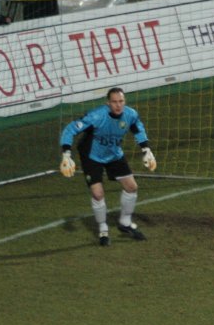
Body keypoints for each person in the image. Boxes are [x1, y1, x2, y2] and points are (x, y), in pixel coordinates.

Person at [59, 87, 157, 246]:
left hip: (113, 154)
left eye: (121, 101)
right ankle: (103, 228)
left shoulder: (130, 114)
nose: (118, 105)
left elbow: (138, 129)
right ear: (108, 103)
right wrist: (66, 153)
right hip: (92, 156)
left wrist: (146, 150)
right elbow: (70, 129)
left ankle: (125, 223)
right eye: (114, 102)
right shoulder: (96, 116)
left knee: (131, 187)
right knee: (97, 194)